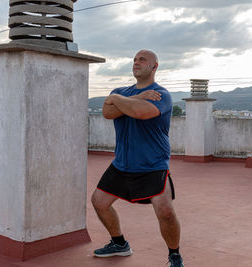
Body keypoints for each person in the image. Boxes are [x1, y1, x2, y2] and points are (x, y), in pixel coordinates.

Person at [91, 49, 184, 267]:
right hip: (122, 164)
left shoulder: (162, 94)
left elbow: (141, 112)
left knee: (166, 213)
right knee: (99, 202)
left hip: (153, 165)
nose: (136, 63)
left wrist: (117, 100)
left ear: (154, 66)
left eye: (142, 60)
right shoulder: (120, 90)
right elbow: (108, 112)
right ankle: (119, 243)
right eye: (134, 60)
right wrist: (125, 98)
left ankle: (174, 255)